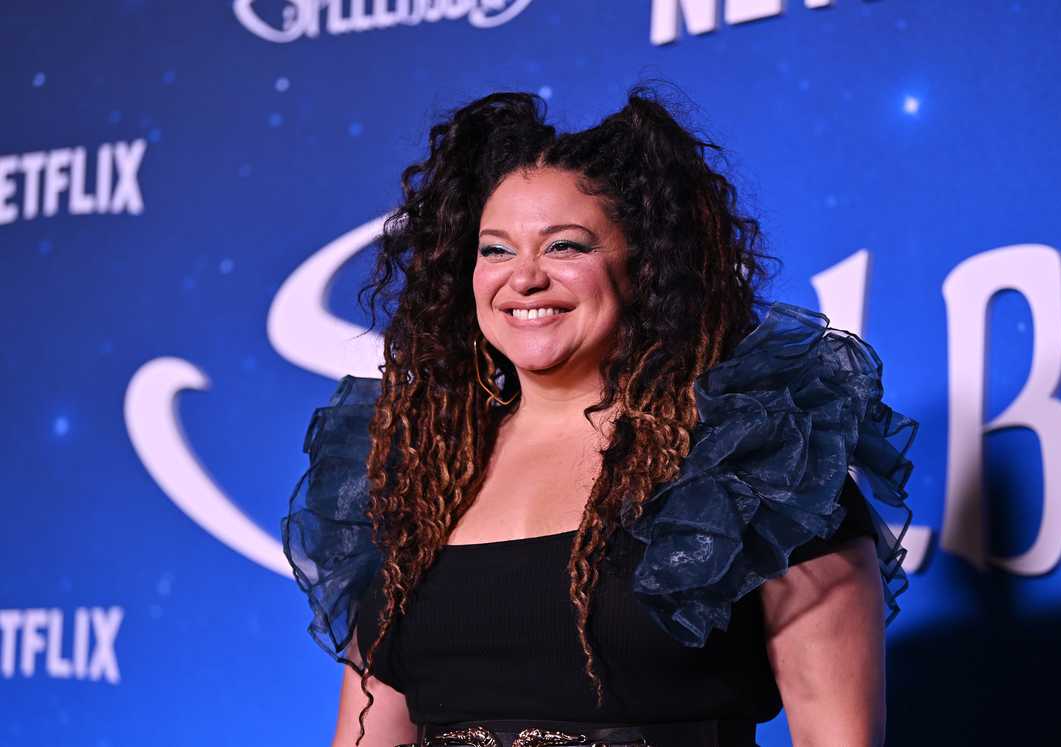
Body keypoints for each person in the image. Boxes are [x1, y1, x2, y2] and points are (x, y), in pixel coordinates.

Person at [282, 86, 917, 747]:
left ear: (647, 265)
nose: (524, 277)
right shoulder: (419, 473)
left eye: (565, 246)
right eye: (495, 250)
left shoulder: (756, 466)